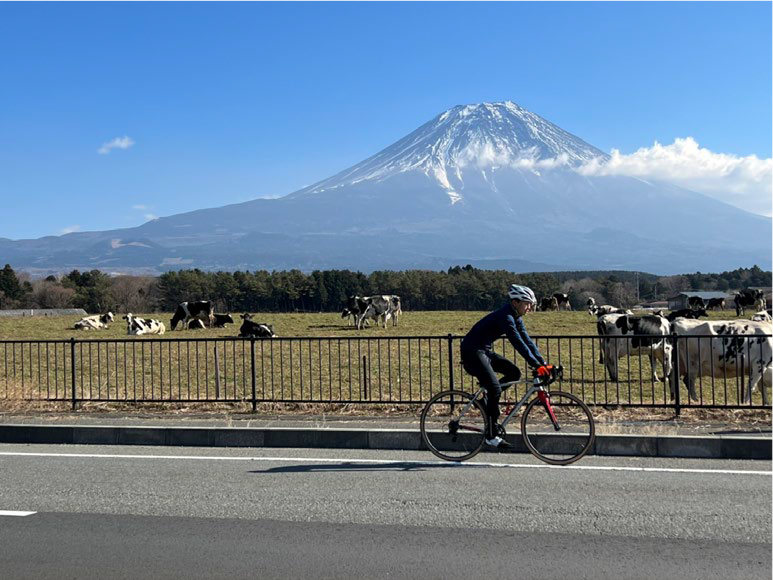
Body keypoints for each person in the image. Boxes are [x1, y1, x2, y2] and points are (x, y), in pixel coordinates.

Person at [460, 284, 549, 449]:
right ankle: (491, 435)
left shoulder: (516, 317)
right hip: (472, 352)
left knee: (514, 373)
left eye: (531, 304)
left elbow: (527, 341)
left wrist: (542, 363)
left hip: (483, 350)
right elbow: (517, 342)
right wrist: (535, 364)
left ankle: (487, 398)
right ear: (515, 302)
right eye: (527, 303)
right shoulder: (506, 316)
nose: (530, 307)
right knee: (495, 390)